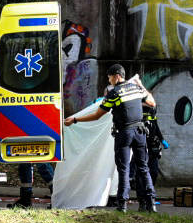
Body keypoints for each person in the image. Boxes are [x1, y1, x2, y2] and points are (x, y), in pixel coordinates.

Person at [65, 64, 156, 212]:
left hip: (124, 133)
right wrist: (141, 85)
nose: (109, 80)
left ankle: (122, 205)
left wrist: (75, 120)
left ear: (117, 76)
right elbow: (152, 103)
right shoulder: (137, 89)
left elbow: (97, 115)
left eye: (110, 77)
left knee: (124, 169)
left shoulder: (114, 93)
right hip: (140, 133)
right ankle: (151, 202)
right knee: (143, 168)